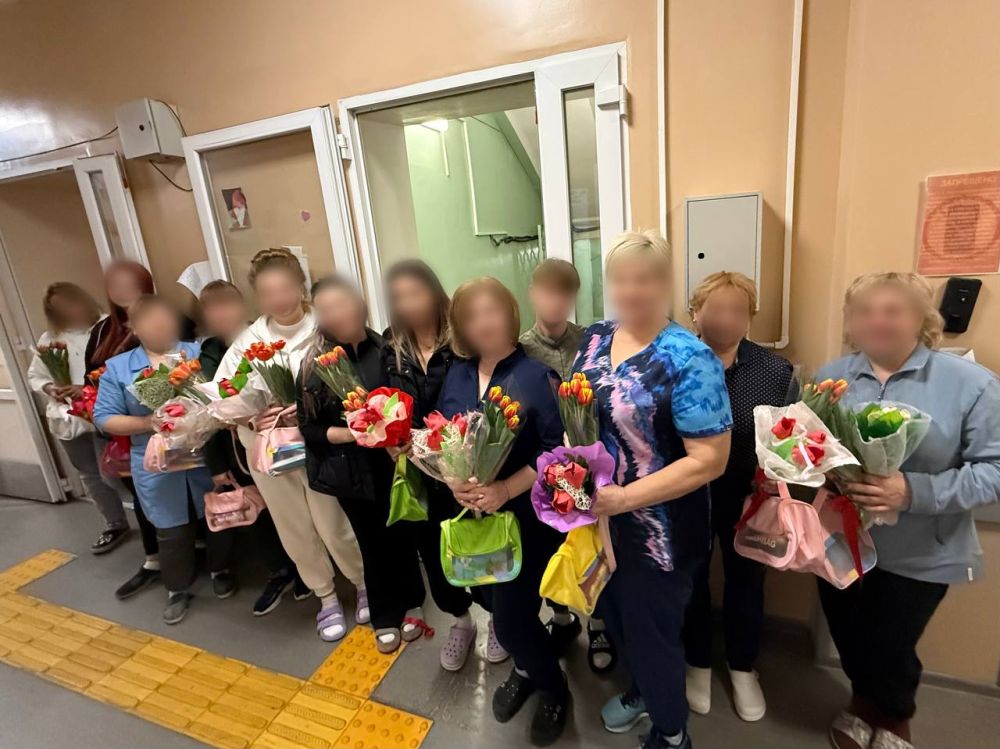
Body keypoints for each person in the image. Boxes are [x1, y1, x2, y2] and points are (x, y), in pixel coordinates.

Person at [817, 272, 1000, 749]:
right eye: (864, 311)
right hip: (840, 542)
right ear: (850, 320)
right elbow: (811, 446)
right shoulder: (830, 377)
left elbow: (996, 470)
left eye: (893, 310)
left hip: (921, 552)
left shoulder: (971, 384)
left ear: (922, 319)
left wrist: (913, 492)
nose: (877, 321)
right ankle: (861, 703)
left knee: (894, 645)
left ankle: (895, 716)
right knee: (849, 634)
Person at [577, 231, 732, 749]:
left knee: (654, 636)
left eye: (643, 279)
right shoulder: (595, 338)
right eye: (620, 279)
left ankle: (670, 731)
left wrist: (624, 498)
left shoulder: (690, 359)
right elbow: (580, 414)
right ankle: (645, 692)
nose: (630, 290)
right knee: (616, 617)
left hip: (658, 535)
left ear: (666, 283)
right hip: (599, 520)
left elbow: (710, 460)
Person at [438, 277, 569, 746]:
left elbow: (557, 450)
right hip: (476, 522)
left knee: (511, 621)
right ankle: (527, 666)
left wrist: (505, 489)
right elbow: (442, 435)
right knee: (494, 605)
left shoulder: (537, 376)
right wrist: (451, 478)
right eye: (471, 316)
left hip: (528, 519)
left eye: (491, 311)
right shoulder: (457, 374)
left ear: (510, 314)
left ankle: (554, 688)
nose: (483, 323)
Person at [214, 248, 365, 641]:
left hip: (322, 445)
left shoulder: (325, 328)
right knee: (294, 527)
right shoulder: (249, 343)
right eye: (267, 293)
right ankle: (325, 595)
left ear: (301, 286)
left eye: (285, 288)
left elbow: (357, 382)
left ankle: (362, 582)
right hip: (270, 452)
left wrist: (313, 410)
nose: (278, 299)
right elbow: (223, 398)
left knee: (335, 523)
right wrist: (251, 418)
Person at [681, 271, 795, 722]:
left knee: (747, 579)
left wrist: (778, 473)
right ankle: (697, 661)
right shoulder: (675, 362)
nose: (727, 318)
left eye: (738, 310)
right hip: (686, 490)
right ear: (695, 312)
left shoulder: (774, 371)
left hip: (748, 492)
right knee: (691, 578)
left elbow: (789, 437)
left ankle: (743, 666)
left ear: (750, 317)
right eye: (716, 308)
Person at [298, 275, 427, 653]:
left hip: (396, 464)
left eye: (343, 303)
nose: (337, 314)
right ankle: (385, 613)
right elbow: (309, 429)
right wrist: (353, 433)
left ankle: (414, 601)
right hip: (352, 471)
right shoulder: (315, 365)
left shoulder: (389, 349)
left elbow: (410, 402)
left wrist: (399, 434)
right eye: (326, 309)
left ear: (361, 303)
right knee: (371, 542)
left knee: (404, 534)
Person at [93, 295, 225, 624]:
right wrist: (149, 422)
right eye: (149, 320)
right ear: (133, 328)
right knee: (171, 530)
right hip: (156, 460)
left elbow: (225, 395)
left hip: (204, 452)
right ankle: (177, 588)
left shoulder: (199, 353)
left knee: (219, 517)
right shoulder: (119, 367)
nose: (158, 325)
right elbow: (104, 418)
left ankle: (221, 569)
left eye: (164, 318)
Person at [380, 260, 477, 668]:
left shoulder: (463, 340)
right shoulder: (392, 346)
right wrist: (388, 439)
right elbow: (384, 405)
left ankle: (499, 620)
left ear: (435, 293)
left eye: (416, 293)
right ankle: (461, 620)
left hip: (465, 468)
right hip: (419, 473)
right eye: (399, 297)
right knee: (435, 555)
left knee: (478, 543)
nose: (409, 304)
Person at [519, 257, 615, 673]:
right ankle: (560, 616)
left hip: (592, 465)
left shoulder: (592, 342)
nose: (554, 301)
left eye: (563, 293)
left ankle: (598, 621)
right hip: (542, 466)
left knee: (592, 543)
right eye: (547, 292)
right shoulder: (521, 348)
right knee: (550, 545)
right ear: (532, 294)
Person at [198, 280, 308, 615]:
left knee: (299, 512)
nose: (221, 314)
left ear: (243, 305)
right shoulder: (209, 351)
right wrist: (217, 463)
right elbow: (210, 406)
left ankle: (307, 573)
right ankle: (280, 572)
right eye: (212, 308)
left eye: (227, 305)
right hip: (242, 448)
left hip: (288, 439)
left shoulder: (262, 339)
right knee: (261, 516)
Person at [28, 283, 132, 554]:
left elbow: (120, 371)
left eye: (70, 304)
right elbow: (35, 375)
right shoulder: (50, 339)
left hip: (101, 414)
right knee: (89, 475)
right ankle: (114, 523)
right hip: (68, 418)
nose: (68, 312)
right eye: (59, 309)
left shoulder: (108, 329)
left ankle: (151, 520)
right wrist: (51, 388)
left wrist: (85, 389)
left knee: (112, 473)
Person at [85, 261, 163, 600]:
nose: (123, 291)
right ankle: (154, 559)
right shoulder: (103, 330)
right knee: (144, 499)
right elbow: (90, 376)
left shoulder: (168, 320)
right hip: (126, 433)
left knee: (184, 493)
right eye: (115, 285)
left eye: (130, 283)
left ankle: (200, 558)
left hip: (169, 429)